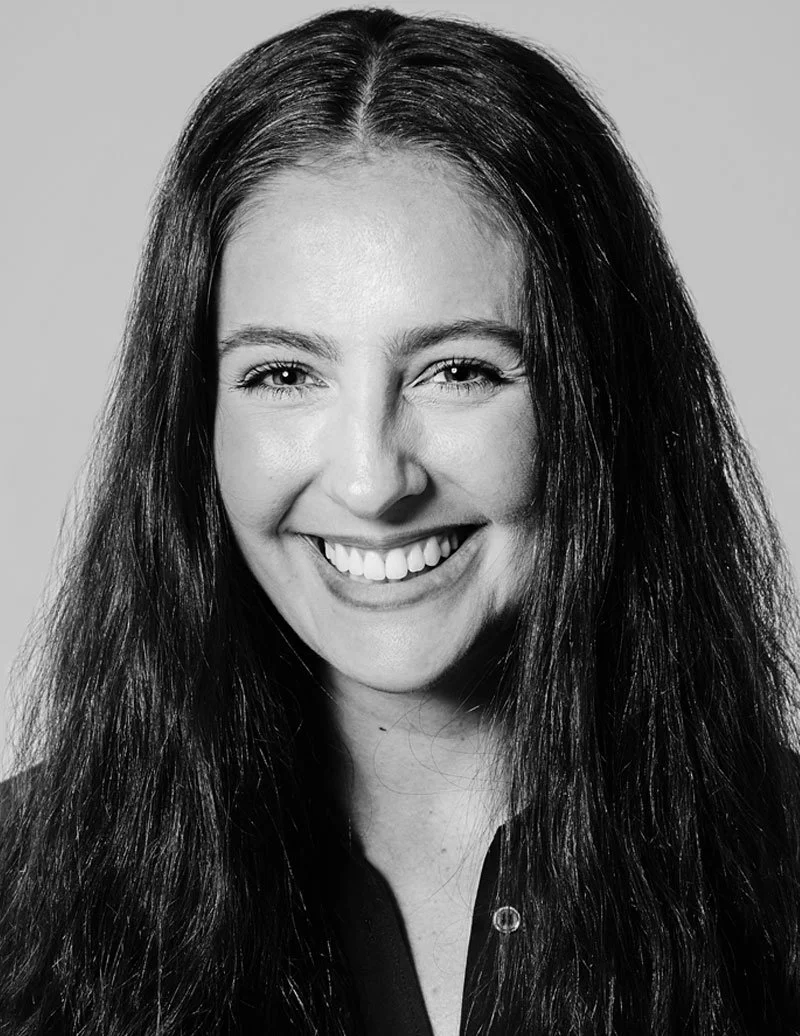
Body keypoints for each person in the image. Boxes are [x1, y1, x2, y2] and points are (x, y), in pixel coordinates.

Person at [1, 7, 799, 1034]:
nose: (373, 481)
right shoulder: (24, 892)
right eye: (283, 373)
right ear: (192, 419)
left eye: (458, 370)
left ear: (596, 401)